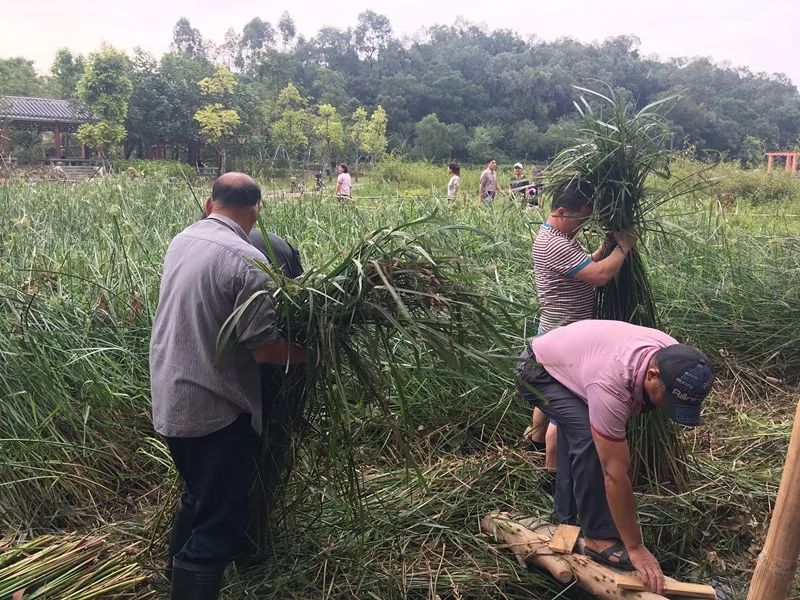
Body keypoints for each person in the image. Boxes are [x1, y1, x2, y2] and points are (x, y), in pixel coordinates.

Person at [150, 172, 306, 600]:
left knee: (199, 496)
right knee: (219, 526)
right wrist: (316, 353)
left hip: (170, 395)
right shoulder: (247, 262)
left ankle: (173, 578)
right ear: (256, 212)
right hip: (214, 412)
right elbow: (266, 350)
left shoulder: (182, 240)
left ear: (208, 204)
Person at [516, 319, 714, 594]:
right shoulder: (611, 383)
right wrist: (635, 547)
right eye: (669, 401)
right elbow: (614, 472)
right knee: (586, 436)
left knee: (582, 433)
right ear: (653, 375)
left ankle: (566, 518)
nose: (668, 409)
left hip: (578, 361)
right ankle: (597, 538)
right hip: (539, 371)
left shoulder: (678, 360)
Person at [526, 178, 637, 474]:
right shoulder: (554, 244)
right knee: (564, 413)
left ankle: (533, 443)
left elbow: (581, 265)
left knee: (547, 397)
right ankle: (551, 474)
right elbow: (599, 276)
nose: (582, 225)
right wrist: (623, 247)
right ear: (561, 211)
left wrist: (602, 249)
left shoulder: (554, 237)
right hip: (565, 337)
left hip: (551, 331)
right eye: (580, 219)